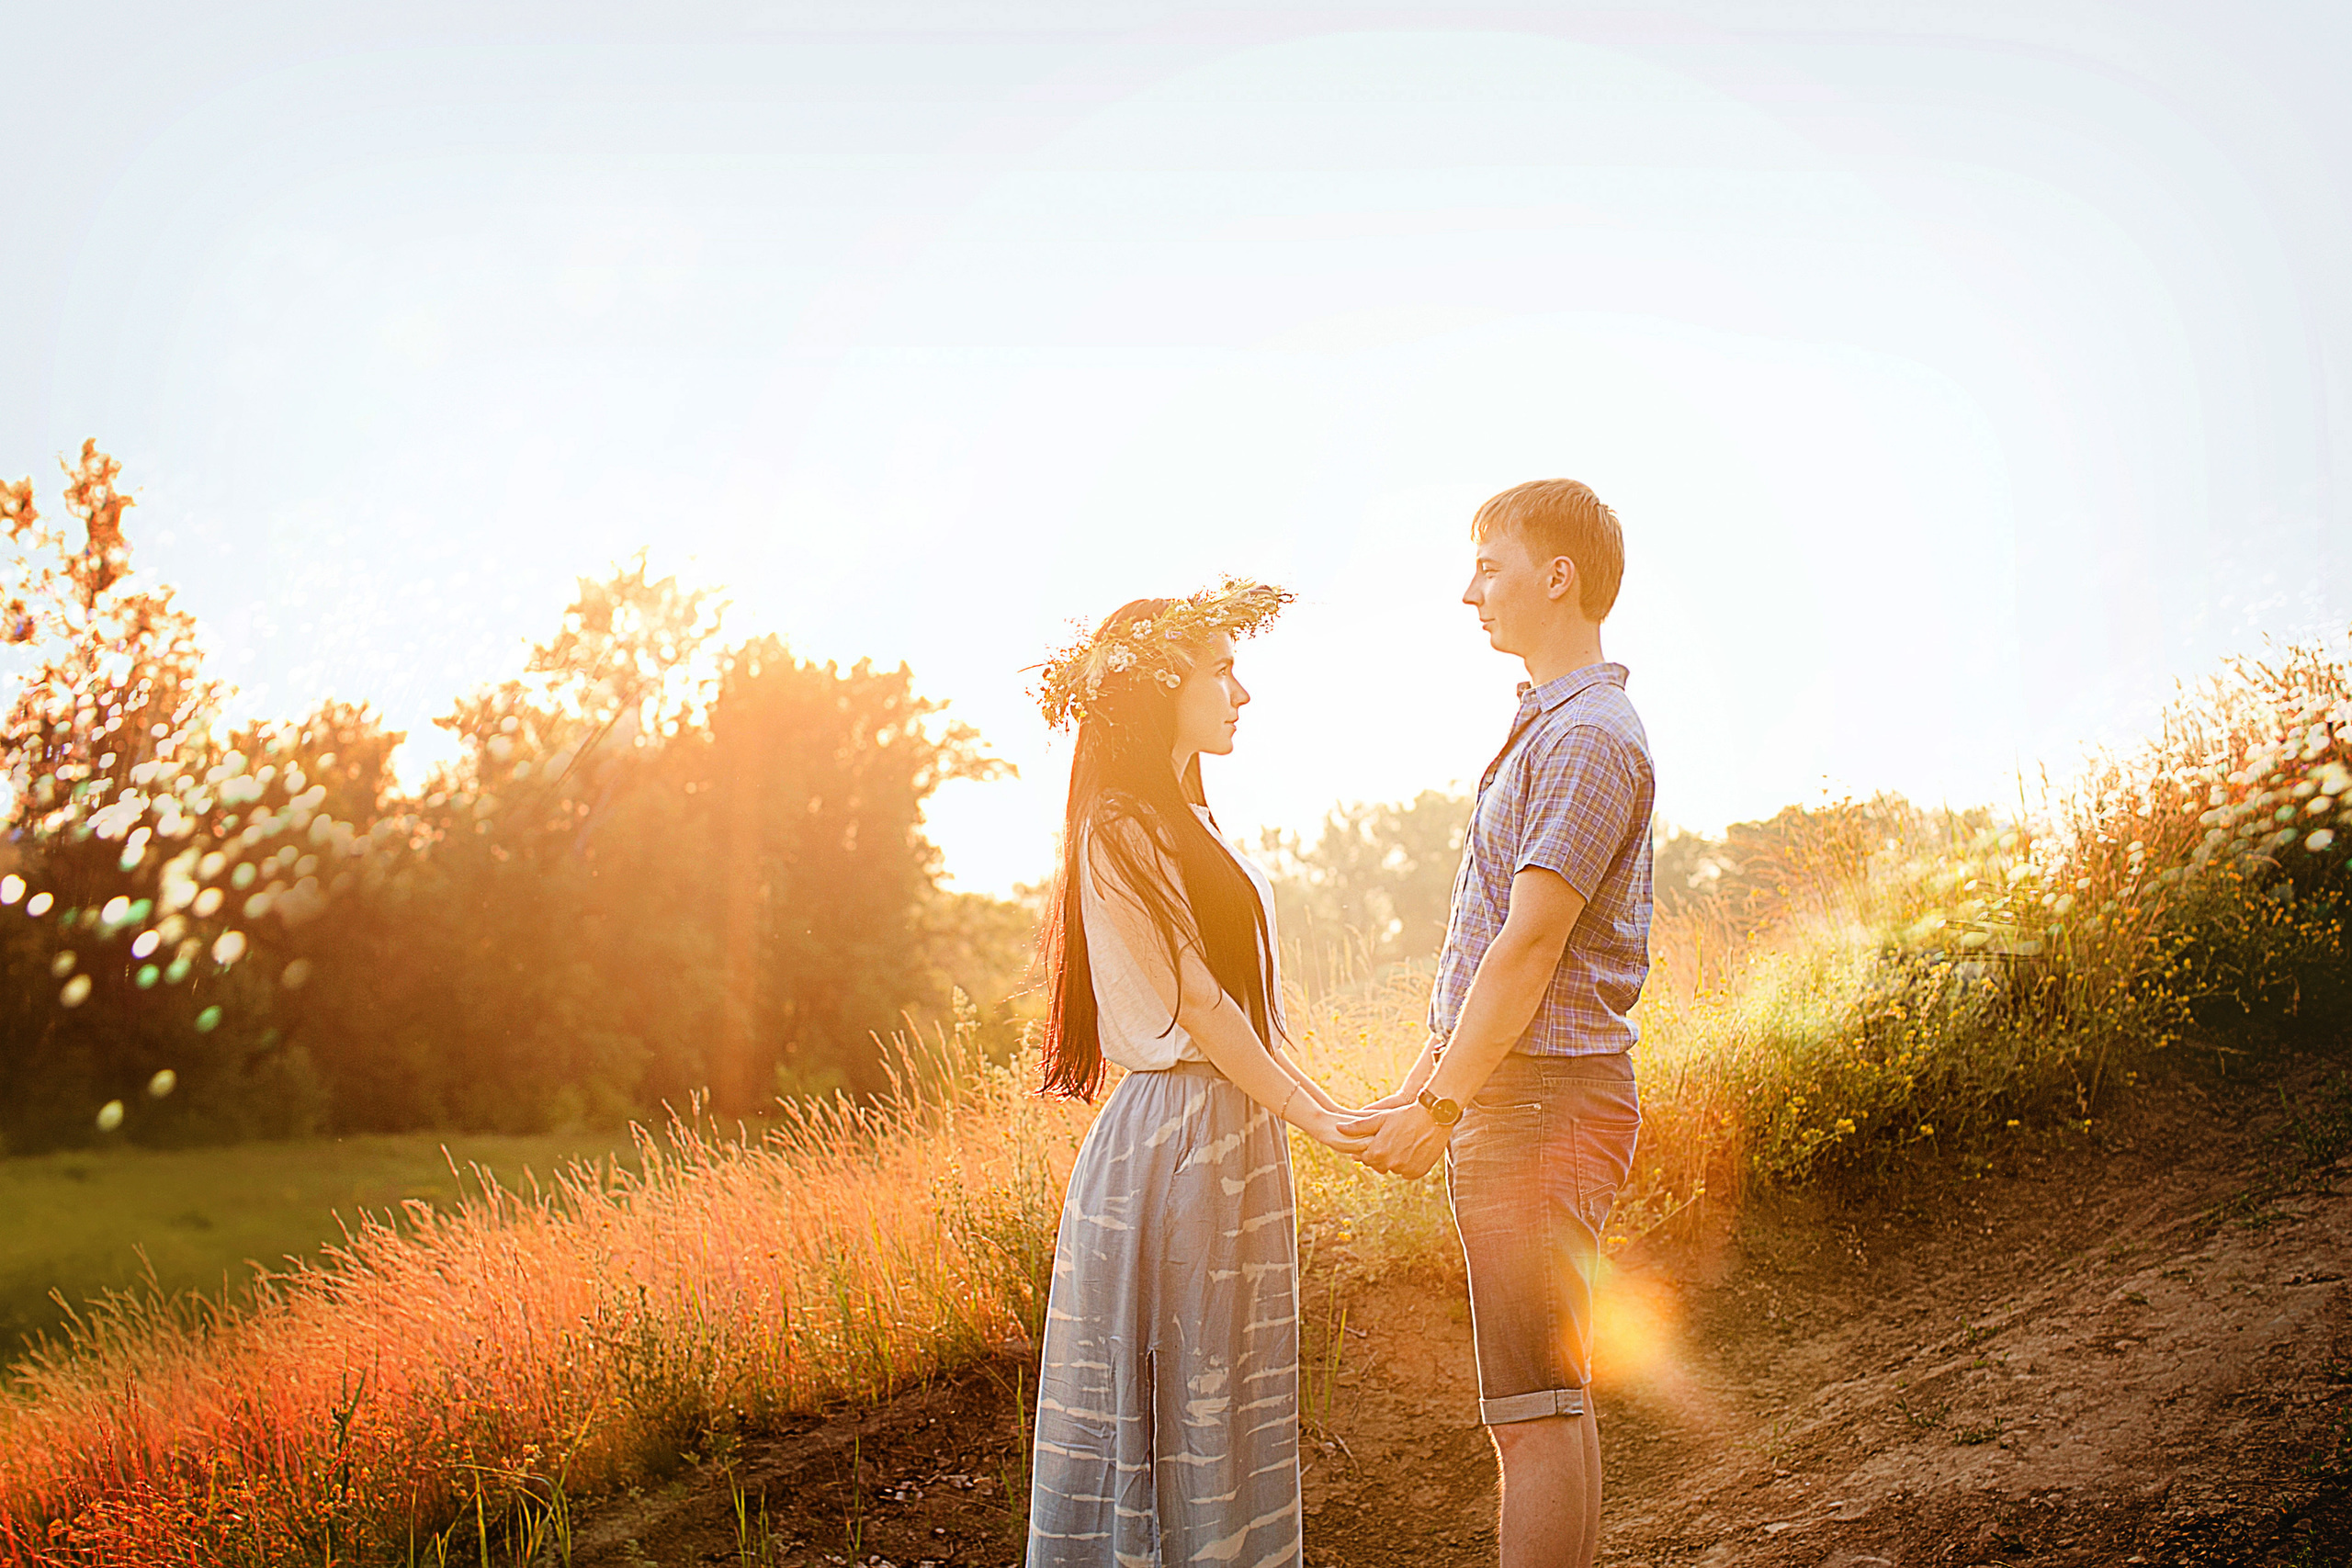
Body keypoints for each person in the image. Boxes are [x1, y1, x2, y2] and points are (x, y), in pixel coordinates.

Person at [1023, 581, 1367, 1568]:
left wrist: (1324, 1106)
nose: (1242, 694)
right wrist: (1321, 1117)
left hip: (1226, 1140)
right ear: (1161, 686)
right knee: (1186, 1409)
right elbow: (1203, 1010)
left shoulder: (1186, 818)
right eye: (1223, 671)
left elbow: (1246, 1009)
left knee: (1224, 1406)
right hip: (1174, 1145)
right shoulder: (1119, 826)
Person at [1343, 479, 1654, 1568]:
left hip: (1539, 1109)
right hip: (1516, 1105)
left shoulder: (1586, 740)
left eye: (1489, 565)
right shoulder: (1547, 728)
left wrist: (1440, 1105)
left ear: (1555, 576)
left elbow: (1529, 945)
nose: (1468, 590)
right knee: (1547, 1409)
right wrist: (1420, 1080)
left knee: (1532, 1419)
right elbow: (1483, 944)